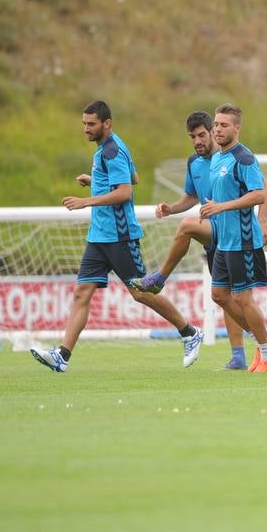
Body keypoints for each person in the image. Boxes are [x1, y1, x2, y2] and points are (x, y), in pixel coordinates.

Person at [31, 101, 206, 373]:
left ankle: (189, 331)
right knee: (81, 293)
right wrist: (96, 180)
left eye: (91, 124)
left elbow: (125, 192)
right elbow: (133, 177)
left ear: (107, 124)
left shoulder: (112, 150)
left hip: (119, 236)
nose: (86, 129)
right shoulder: (107, 149)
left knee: (140, 293)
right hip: (99, 237)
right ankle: (62, 356)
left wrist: (86, 200)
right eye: (84, 124)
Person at [132, 110, 267, 370]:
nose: (197, 140)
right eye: (192, 137)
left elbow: (262, 189)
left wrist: (263, 221)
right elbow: (191, 197)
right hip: (217, 229)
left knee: (186, 227)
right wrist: (171, 208)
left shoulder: (234, 157)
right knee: (223, 296)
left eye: (202, 134)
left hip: (230, 227)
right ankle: (244, 351)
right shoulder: (195, 162)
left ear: (214, 132)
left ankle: (159, 278)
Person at [201, 104, 267, 373]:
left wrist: (222, 207)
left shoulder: (244, 157)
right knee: (219, 295)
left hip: (244, 241)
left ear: (237, 128)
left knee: (244, 299)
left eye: (224, 125)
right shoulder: (217, 159)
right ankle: (264, 341)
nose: (218, 129)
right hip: (224, 240)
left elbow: (259, 192)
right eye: (216, 124)